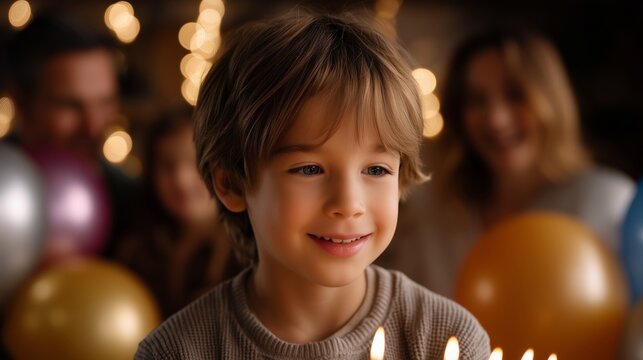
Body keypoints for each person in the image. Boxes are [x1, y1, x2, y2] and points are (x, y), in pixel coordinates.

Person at [135, 12, 490, 359]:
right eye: (309, 169)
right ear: (231, 183)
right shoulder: (177, 350)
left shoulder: (447, 341)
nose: (349, 203)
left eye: (377, 170)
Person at [377, 28, 636, 297]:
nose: (497, 119)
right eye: (477, 100)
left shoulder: (605, 203)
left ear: (551, 100)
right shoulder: (430, 215)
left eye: (515, 95)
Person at [5, 12, 138, 259]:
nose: (93, 126)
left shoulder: (137, 203)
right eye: (70, 105)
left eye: (105, 102)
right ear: (21, 102)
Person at [116, 108, 244, 318]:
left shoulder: (246, 257)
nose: (180, 180)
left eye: (195, 163)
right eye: (167, 166)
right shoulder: (137, 250)